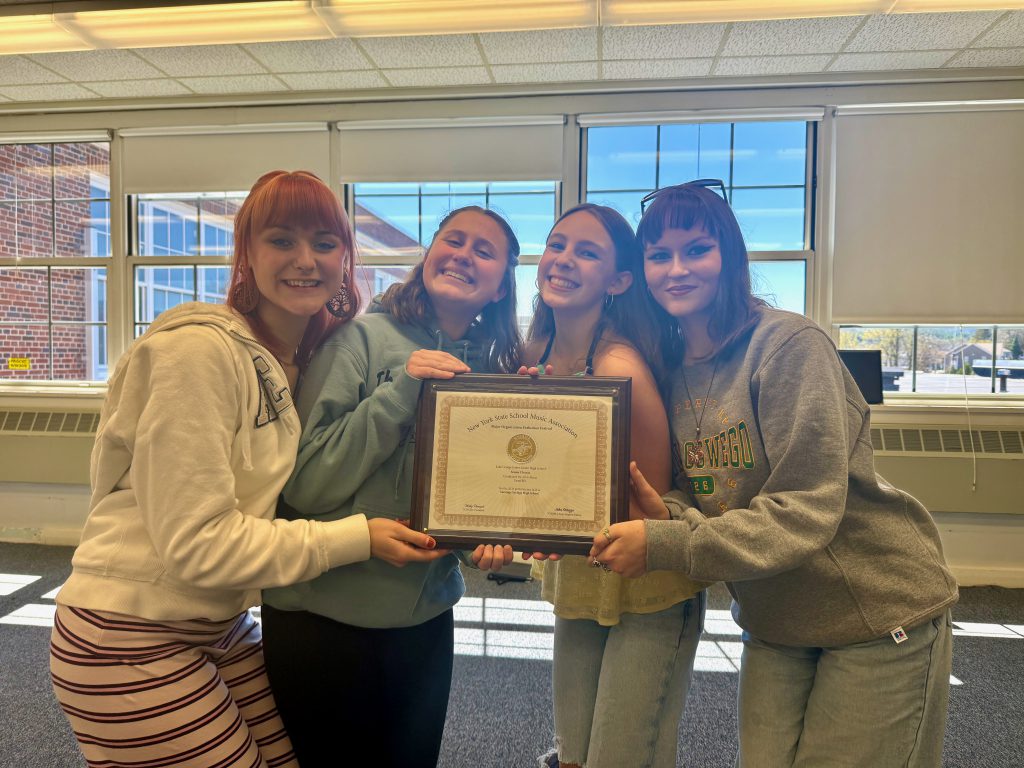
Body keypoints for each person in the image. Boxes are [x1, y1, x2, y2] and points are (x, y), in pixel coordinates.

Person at [48, 170, 446, 768]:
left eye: (324, 243)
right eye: (282, 240)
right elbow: (199, 544)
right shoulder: (198, 353)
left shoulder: (292, 364)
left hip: (219, 621)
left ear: (345, 260)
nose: (305, 260)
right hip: (127, 627)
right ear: (247, 255)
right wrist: (358, 538)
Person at [591, 180, 959, 768]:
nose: (676, 270)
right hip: (774, 620)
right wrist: (670, 512)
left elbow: (805, 507)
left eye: (697, 250)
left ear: (730, 257)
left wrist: (666, 541)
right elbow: (699, 488)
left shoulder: (788, 344)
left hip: (873, 610)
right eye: (659, 255)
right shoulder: (672, 366)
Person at [261, 205, 521, 767]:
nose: (463, 255)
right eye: (453, 240)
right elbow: (306, 484)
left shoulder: (494, 372)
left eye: (484, 251)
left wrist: (485, 541)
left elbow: (469, 499)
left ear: (502, 285)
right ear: (429, 256)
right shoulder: (358, 339)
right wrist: (404, 390)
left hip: (423, 620)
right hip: (322, 619)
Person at [522, 204, 705, 768]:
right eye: (556, 245)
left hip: (644, 585)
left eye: (587, 252)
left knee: (622, 757)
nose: (563, 260)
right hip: (580, 572)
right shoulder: (535, 352)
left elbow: (650, 503)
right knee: (574, 754)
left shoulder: (618, 365)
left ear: (619, 281)